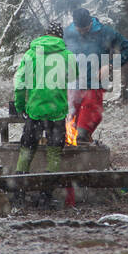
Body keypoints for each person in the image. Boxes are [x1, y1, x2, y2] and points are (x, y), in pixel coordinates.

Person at [12, 22, 76, 204]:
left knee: (27, 148)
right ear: (60, 37)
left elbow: (19, 84)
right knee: (54, 152)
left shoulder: (31, 54)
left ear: (45, 34)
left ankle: (19, 192)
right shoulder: (67, 56)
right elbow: (72, 78)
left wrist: (20, 106)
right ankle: (46, 195)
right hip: (57, 112)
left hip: (35, 111)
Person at [63, 6, 128, 143]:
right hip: (73, 84)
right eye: (79, 29)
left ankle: (83, 142)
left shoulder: (104, 32)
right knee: (69, 125)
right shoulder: (68, 32)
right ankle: (74, 153)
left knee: (87, 122)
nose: (82, 32)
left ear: (90, 22)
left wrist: (110, 66)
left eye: (85, 29)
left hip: (94, 84)